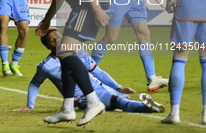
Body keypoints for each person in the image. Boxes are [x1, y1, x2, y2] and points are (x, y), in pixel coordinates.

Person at [13, 28, 165, 114]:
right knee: (120, 102)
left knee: (123, 98)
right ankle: (150, 108)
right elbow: (35, 83)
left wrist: (118, 86)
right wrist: (30, 104)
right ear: (50, 44)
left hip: (100, 86)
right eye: (54, 39)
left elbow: (97, 71)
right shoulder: (46, 66)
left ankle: (139, 104)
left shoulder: (78, 50)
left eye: (58, 35)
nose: (59, 39)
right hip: (85, 98)